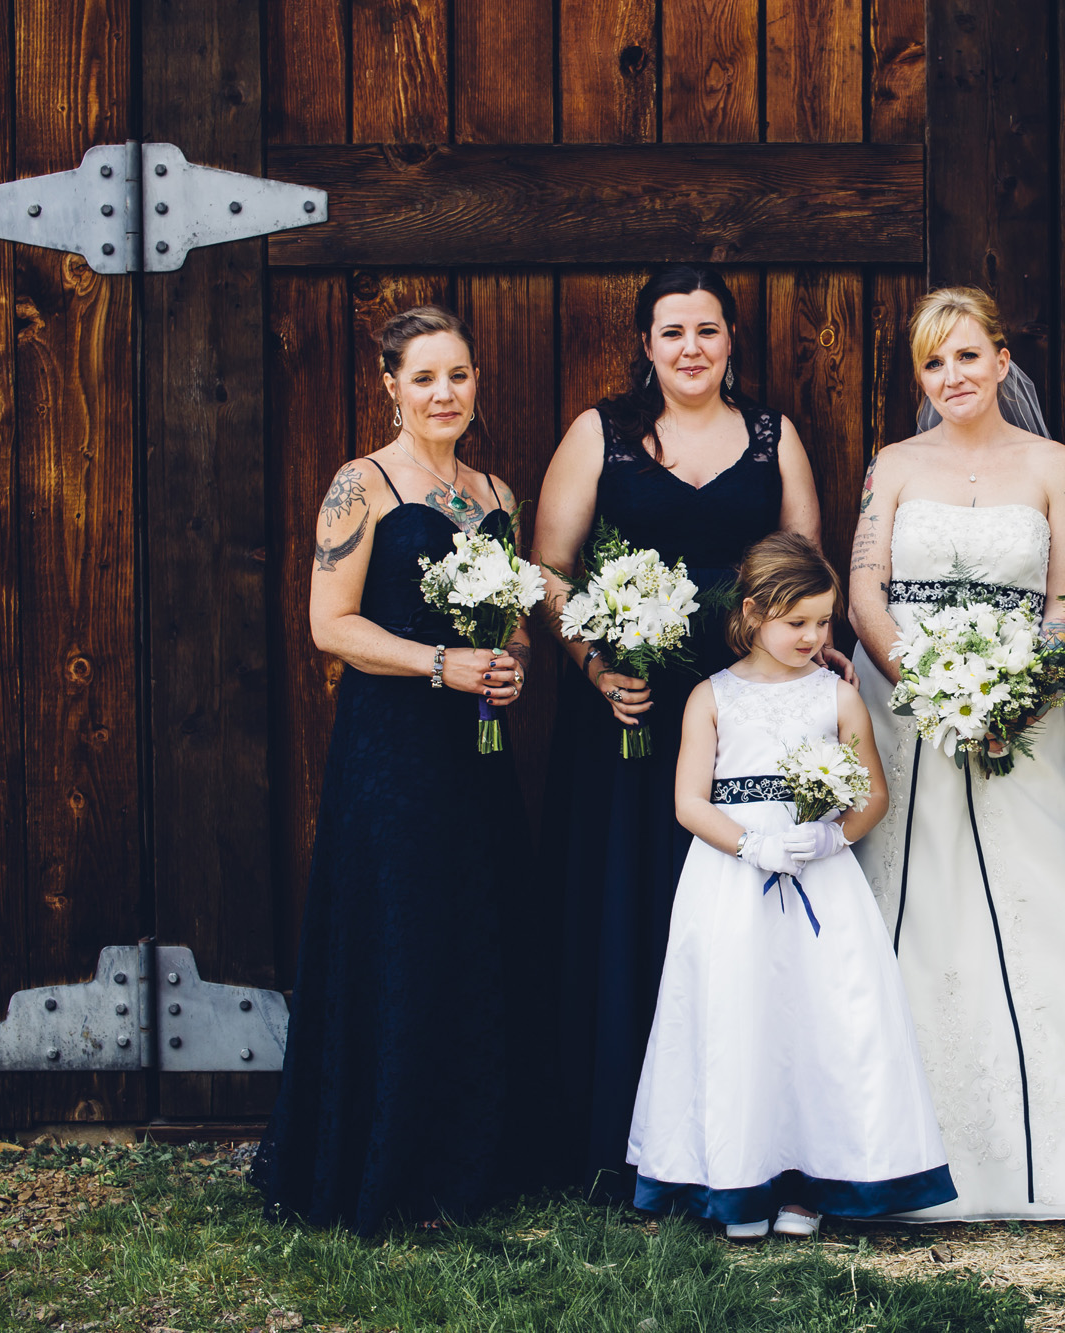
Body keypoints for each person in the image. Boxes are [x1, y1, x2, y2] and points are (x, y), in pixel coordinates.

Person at [533, 265, 851, 1202]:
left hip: (749, 709)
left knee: (742, 911)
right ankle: (626, 1135)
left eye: (707, 330)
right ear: (646, 345)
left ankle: (753, 1131)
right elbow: (550, 565)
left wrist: (811, 654)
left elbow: (806, 566)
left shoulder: (772, 435)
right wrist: (597, 665)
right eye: (672, 332)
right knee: (635, 900)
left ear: (731, 338)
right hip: (633, 706)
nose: (691, 348)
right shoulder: (602, 433)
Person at [848, 286, 1065, 1220]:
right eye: (934, 363)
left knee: (1043, 901)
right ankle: (895, 1149)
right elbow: (864, 592)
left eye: (967, 356)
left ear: (1002, 360)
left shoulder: (1051, 464)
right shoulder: (890, 464)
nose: (952, 378)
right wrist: (931, 690)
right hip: (909, 713)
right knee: (916, 903)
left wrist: (1019, 693)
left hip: (1026, 714)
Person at [254, 306, 531, 1233]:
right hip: (392, 747)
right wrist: (437, 663)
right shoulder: (359, 485)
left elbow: (514, 614)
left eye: (458, 375)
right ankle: (381, 1163)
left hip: (476, 752)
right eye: (424, 378)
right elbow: (329, 624)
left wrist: (504, 661)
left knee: (474, 926)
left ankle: (468, 1160)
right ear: (390, 385)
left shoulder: (497, 492)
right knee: (400, 932)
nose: (444, 394)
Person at [629, 533, 954, 1239]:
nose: (813, 635)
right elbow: (689, 802)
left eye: (824, 621)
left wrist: (833, 836)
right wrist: (754, 843)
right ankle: (736, 1176)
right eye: (796, 621)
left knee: (818, 1019)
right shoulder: (709, 696)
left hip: (820, 882)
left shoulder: (836, 697)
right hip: (731, 880)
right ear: (752, 613)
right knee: (738, 1014)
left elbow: (872, 795)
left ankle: (811, 1181)